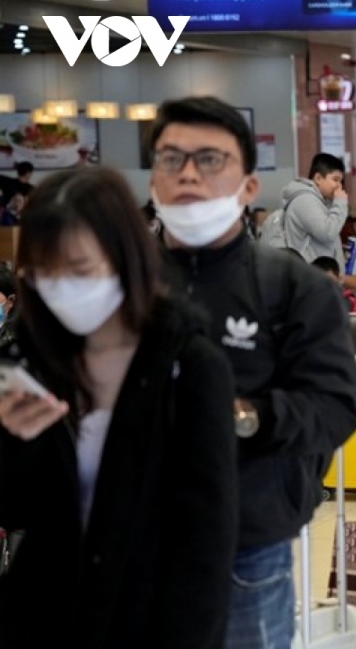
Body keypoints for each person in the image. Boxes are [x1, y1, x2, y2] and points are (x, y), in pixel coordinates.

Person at [147, 96, 356, 649]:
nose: (188, 174)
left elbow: (336, 405)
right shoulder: (120, 284)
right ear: (153, 181)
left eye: (210, 159)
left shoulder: (293, 287)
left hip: (248, 539)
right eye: (171, 159)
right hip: (131, 534)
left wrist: (247, 416)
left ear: (248, 187)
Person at [0, 166, 238, 647]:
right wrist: (11, 439)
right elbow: (18, 506)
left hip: (149, 617)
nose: (61, 288)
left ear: (123, 257)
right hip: (46, 616)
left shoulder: (188, 365)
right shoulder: (30, 358)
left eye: (79, 269)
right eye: (43, 273)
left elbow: (207, 537)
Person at [278, 153, 350, 264]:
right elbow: (328, 233)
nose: (339, 186)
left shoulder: (321, 201)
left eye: (341, 181)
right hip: (311, 270)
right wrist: (340, 202)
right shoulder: (305, 200)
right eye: (335, 180)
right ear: (318, 178)